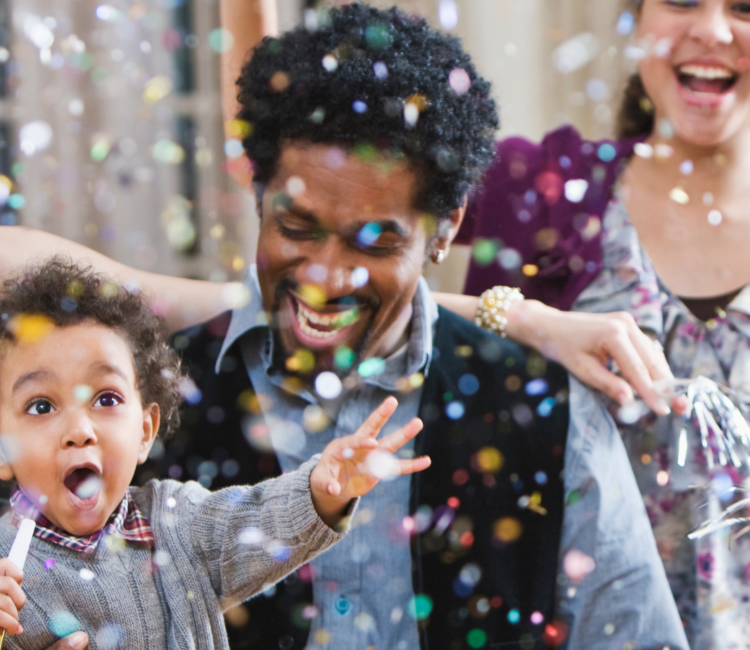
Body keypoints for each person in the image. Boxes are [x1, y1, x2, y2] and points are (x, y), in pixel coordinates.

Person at [0, 4, 687, 649]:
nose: (326, 277)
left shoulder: (546, 406)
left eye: (372, 243)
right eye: (295, 228)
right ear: (260, 196)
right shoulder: (128, 413)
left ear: (445, 229)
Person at [450, 0, 750, 647]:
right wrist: (521, 318)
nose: (715, 30)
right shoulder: (543, 188)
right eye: (682, 0)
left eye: (746, 8)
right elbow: (346, 289)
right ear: (636, 17)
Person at [0, 258, 429, 649]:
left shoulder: (177, 522)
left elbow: (258, 521)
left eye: (106, 399)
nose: (79, 430)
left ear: (146, 430)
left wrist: (322, 489)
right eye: (41, 406)